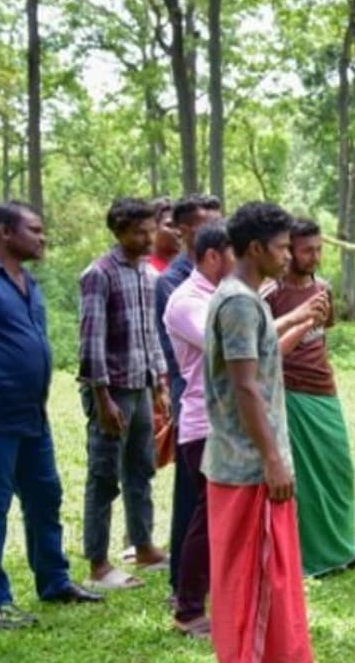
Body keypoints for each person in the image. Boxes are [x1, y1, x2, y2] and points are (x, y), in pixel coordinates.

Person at [0, 202, 104, 629]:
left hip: (33, 414)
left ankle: (54, 580)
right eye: (34, 229)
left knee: (46, 497)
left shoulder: (29, 281)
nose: (43, 237)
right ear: (5, 232)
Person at [202, 202, 312, 662]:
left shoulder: (243, 297)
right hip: (249, 468)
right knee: (259, 583)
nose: (289, 256)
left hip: (242, 462)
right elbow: (245, 387)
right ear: (255, 248)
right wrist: (272, 459)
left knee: (262, 581)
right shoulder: (241, 304)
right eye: (283, 247)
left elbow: (258, 373)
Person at [264, 218, 355, 576]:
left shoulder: (323, 289)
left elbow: (322, 337)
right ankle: (311, 558)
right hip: (291, 392)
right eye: (305, 250)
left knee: (337, 469)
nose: (314, 257)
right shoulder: (272, 294)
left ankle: (344, 548)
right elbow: (264, 349)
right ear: (290, 251)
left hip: (323, 390)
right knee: (307, 479)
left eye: (318, 249)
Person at [78, 197, 171, 590]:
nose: (149, 238)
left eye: (152, 230)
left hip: (141, 386)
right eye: (140, 232)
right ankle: (98, 565)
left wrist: (160, 385)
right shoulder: (99, 274)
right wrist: (102, 400)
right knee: (104, 476)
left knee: (141, 469)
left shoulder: (147, 274)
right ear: (118, 233)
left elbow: (151, 335)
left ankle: (144, 545)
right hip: (111, 390)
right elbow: (91, 341)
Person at [162, 220, 234, 638]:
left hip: (225, 423)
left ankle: (216, 601)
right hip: (203, 424)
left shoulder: (221, 295)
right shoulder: (187, 300)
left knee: (221, 518)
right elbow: (227, 345)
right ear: (211, 257)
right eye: (233, 254)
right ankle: (188, 610)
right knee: (206, 520)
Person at [153, 193, 223, 600]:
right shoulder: (174, 283)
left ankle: (203, 581)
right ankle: (183, 584)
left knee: (206, 501)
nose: (213, 233)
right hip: (192, 397)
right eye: (203, 227)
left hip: (217, 399)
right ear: (183, 233)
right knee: (193, 502)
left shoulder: (221, 279)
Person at [149, 196, 180, 273]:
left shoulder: (193, 265)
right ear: (153, 228)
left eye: (180, 225)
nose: (178, 232)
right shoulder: (144, 269)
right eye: (170, 225)